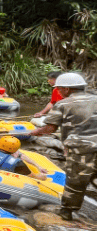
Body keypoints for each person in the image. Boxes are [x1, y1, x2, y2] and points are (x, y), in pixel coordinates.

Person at [28, 72, 97, 220]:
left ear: (66, 89)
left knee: (75, 181)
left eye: (59, 89)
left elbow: (50, 128)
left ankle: (66, 211)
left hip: (81, 149)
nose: (58, 91)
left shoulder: (64, 104)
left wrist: (33, 133)